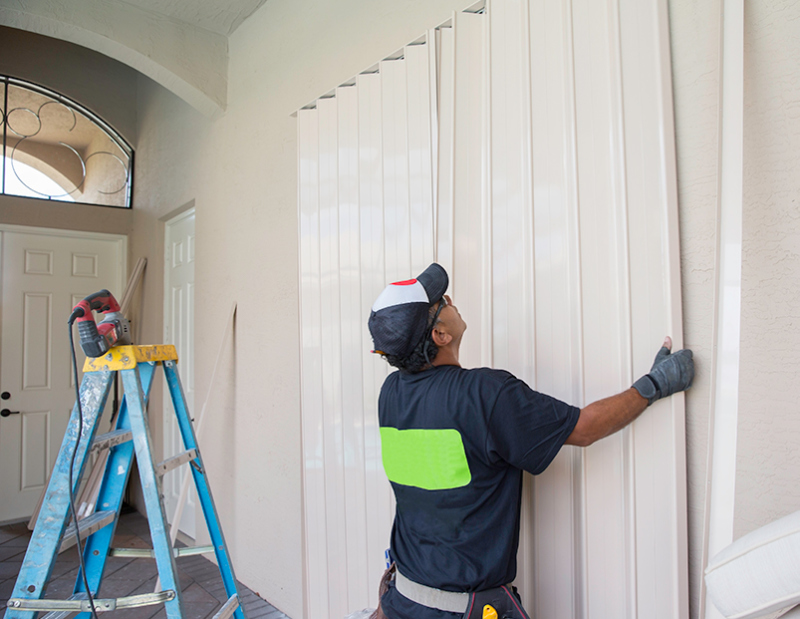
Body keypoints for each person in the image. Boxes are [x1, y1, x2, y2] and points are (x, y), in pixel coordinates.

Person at [367, 263, 694, 619]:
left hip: (403, 600)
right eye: (441, 300)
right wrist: (654, 386)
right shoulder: (484, 394)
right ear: (440, 335)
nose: (450, 299)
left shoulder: (391, 393)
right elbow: (583, 428)